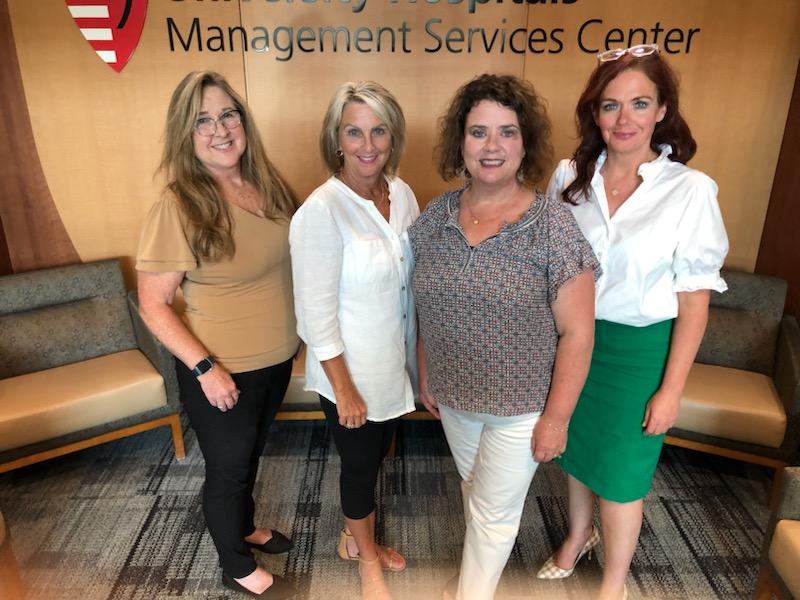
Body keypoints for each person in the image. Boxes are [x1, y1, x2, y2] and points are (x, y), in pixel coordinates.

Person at [539, 44, 729, 600]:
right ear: (594, 113)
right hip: (573, 341)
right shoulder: (569, 176)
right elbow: (549, 264)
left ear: (662, 109)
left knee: (623, 478)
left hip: (639, 354)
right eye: (610, 105)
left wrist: (671, 391)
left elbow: (694, 301)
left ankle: (614, 583)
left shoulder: (690, 190)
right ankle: (578, 536)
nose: (624, 119)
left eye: (639, 103)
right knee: (575, 451)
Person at [409, 73, 599, 600]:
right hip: (455, 397)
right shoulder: (435, 216)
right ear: (461, 143)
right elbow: (423, 303)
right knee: (477, 492)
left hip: (522, 407)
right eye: (478, 132)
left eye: (507, 132)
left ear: (525, 143)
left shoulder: (553, 226)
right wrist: (426, 371)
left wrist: (557, 419)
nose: (491, 146)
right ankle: (475, 576)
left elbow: (578, 333)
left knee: (494, 513)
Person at [136, 71, 299, 599]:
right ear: (184, 134)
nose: (220, 129)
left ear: (243, 121)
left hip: (275, 361)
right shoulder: (178, 204)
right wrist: (205, 368)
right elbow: (153, 304)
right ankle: (236, 565)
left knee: (249, 456)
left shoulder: (267, 185)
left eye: (228, 115)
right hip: (222, 370)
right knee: (228, 470)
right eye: (202, 121)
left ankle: (244, 527)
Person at [289, 81, 418, 600]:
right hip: (350, 373)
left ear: (393, 137)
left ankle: (353, 536)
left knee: (378, 454)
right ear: (336, 139)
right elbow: (315, 316)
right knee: (360, 467)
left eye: (378, 131)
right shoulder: (321, 211)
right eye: (354, 132)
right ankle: (364, 558)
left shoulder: (402, 193)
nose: (368, 145)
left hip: (393, 363)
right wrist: (344, 390)